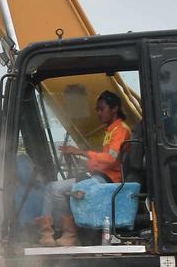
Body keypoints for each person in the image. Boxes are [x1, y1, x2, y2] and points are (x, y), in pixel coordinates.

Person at [35, 90, 130, 247]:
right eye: (97, 110)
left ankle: (64, 234)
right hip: (101, 177)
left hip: (108, 180)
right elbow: (104, 161)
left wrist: (79, 152)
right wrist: (81, 160)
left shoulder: (120, 130)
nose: (99, 113)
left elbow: (111, 160)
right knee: (53, 187)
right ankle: (60, 234)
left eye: (102, 109)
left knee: (54, 188)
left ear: (115, 109)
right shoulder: (111, 130)